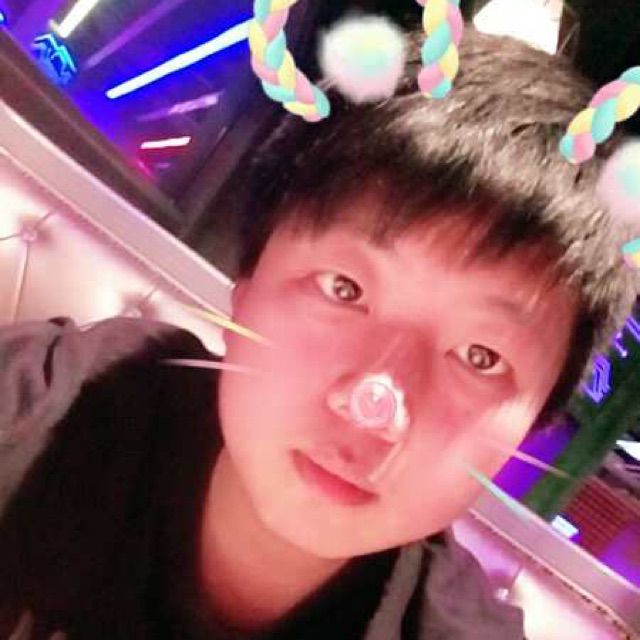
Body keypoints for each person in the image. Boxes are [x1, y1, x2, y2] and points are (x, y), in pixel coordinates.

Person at [0, 26, 637, 640]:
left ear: (530, 430)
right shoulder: (48, 411)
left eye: (480, 355)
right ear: (247, 285)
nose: (374, 405)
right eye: (344, 289)